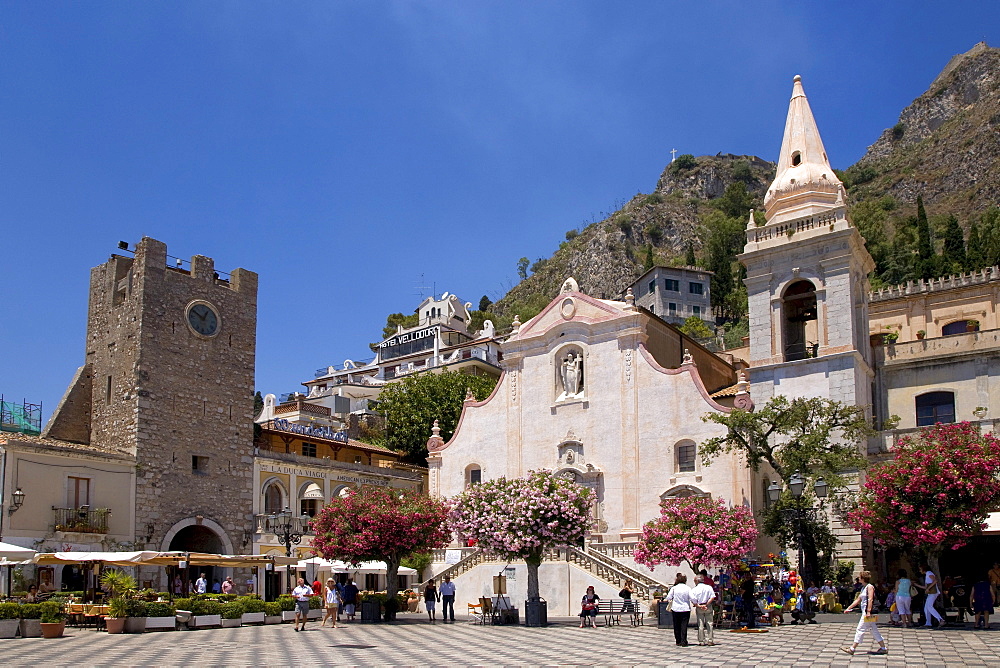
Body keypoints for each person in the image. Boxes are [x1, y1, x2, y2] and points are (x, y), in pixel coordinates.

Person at [842, 570, 888, 656]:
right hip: (866, 611)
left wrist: (868, 611)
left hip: (868, 612)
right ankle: (883, 648)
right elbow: (858, 600)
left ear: (863, 578)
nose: (858, 579)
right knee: (873, 629)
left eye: (860, 577)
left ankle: (852, 648)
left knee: (860, 629)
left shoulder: (870, 587)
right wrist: (848, 608)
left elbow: (870, 599)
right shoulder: (863, 588)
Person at [666, 574, 692, 646]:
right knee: (684, 625)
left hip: (676, 608)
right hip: (685, 608)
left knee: (676, 625)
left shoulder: (674, 588)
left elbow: (668, 597)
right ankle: (684, 640)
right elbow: (692, 598)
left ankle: (678, 640)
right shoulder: (688, 588)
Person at [690, 574, 716, 646]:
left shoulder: (694, 589)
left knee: (700, 624)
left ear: (696, 581)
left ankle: (701, 641)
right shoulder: (708, 587)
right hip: (708, 606)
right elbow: (712, 597)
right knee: (709, 623)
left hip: (699, 606)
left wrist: (698, 605)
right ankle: (710, 640)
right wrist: (706, 604)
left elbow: (693, 599)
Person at [917, 564, 945, 628]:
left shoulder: (929, 573)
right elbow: (925, 587)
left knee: (929, 606)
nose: (920, 571)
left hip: (933, 593)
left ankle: (941, 619)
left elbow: (935, 581)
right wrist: (916, 585)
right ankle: (928, 623)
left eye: (920, 569)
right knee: (926, 608)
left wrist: (928, 588)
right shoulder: (927, 575)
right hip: (931, 593)